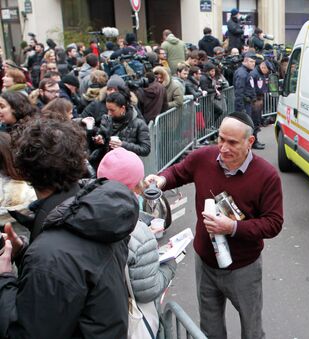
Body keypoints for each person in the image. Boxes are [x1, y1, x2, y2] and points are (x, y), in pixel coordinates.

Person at [144, 112, 283, 339]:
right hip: (206, 263)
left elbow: (273, 223)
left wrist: (233, 228)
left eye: (232, 142)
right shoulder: (203, 158)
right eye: (220, 139)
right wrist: (161, 179)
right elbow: (178, 172)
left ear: (250, 142)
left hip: (243, 268)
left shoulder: (267, 176)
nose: (223, 148)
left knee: (252, 330)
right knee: (209, 329)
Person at [0, 118, 137, 338]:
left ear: (24, 171)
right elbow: (76, 277)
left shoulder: (50, 253)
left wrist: (4, 278)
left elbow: (26, 333)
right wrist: (24, 253)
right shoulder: (97, 209)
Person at [97, 148, 177, 337]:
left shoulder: (83, 210)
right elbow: (148, 290)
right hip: (126, 322)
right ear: (133, 186)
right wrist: (171, 263)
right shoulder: (137, 232)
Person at [91, 91, 151, 163]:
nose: (109, 113)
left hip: (127, 165)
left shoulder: (139, 123)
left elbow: (145, 149)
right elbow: (102, 135)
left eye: (112, 110)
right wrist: (99, 139)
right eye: (108, 109)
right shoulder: (106, 119)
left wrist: (123, 145)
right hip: (107, 163)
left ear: (122, 108)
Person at [234, 52, 264, 149]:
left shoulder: (247, 72)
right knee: (246, 126)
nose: (253, 64)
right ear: (245, 61)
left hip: (249, 103)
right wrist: (241, 109)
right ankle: (244, 146)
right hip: (244, 104)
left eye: (254, 62)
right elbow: (239, 92)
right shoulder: (242, 73)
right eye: (251, 62)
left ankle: (253, 142)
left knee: (252, 123)